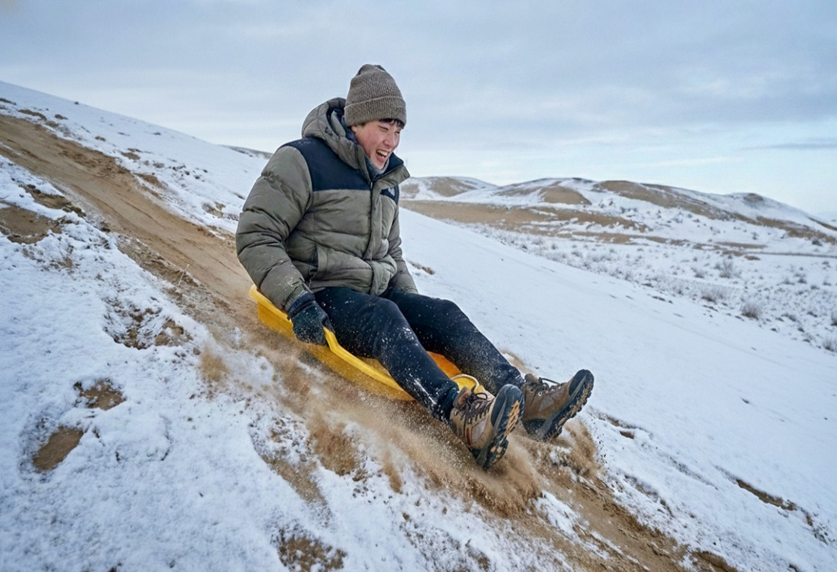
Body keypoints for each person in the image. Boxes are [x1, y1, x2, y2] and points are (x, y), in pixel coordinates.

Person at [236, 64, 593, 469]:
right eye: (383, 127)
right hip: (320, 294)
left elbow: (393, 253)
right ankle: (461, 417)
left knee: (443, 313)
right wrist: (296, 301)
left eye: (399, 130)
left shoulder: (387, 179)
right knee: (386, 316)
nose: (391, 141)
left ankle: (528, 403)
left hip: (374, 294)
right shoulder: (301, 161)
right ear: (356, 121)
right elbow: (256, 235)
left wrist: (420, 319)